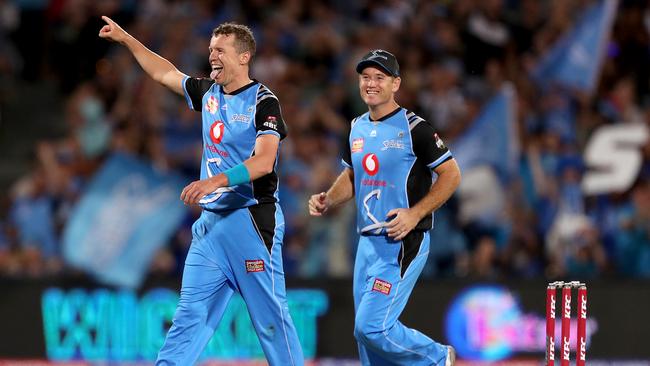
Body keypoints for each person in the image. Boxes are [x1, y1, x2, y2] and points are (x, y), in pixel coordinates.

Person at [99, 16, 304, 366]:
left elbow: (265, 162)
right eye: (211, 50)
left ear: (244, 57)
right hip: (210, 228)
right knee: (189, 316)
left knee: (270, 322)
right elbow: (164, 73)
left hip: (251, 221)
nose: (212, 56)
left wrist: (216, 180)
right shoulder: (208, 92)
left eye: (221, 50)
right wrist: (126, 39)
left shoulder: (263, 101)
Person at [309, 49, 461, 365]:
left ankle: (437, 357)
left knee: (372, 328)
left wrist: (415, 213)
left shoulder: (415, 128)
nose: (371, 84)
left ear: (396, 84)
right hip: (366, 243)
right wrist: (328, 199)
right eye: (366, 77)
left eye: (380, 77)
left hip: (402, 240)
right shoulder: (356, 127)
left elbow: (451, 174)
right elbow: (352, 175)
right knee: (366, 341)